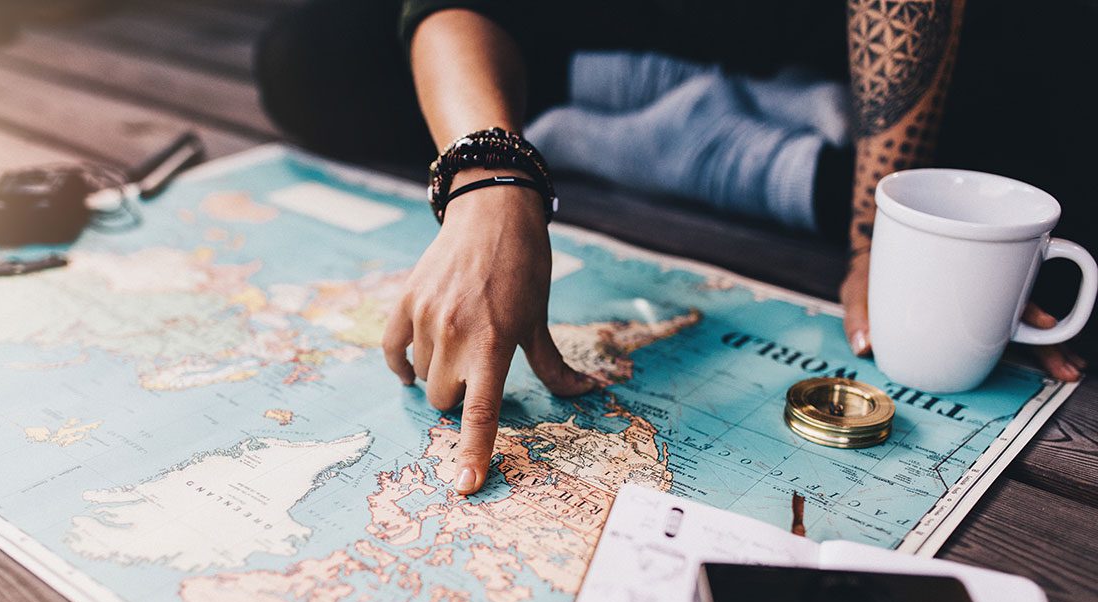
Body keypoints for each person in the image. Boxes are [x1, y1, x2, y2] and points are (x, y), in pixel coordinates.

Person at [256, 0, 1089, 497]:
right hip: (606, 16)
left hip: (829, 30)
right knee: (311, 62)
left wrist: (885, 232)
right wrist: (490, 180)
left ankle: (678, 132)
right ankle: (720, 124)